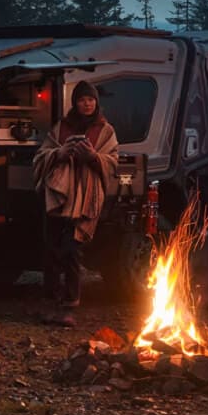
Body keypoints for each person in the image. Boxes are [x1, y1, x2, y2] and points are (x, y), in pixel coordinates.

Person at [32, 80, 118, 326]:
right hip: (58, 196)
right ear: (75, 103)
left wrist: (93, 157)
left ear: (96, 102)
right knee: (51, 249)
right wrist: (60, 153)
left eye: (90, 99)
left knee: (71, 249)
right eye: (82, 100)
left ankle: (70, 305)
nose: (87, 104)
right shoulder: (62, 127)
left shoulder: (105, 131)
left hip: (85, 198)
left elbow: (112, 160)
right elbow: (41, 155)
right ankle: (50, 303)